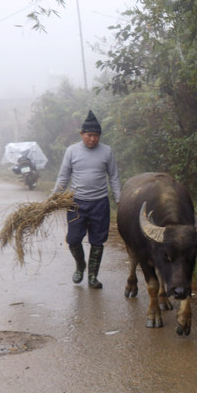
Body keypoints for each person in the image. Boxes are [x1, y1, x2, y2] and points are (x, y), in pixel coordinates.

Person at [52, 110, 122, 289]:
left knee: (97, 241)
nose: (93, 139)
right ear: (82, 134)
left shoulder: (107, 151)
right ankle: (80, 265)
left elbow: (113, 177)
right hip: (76, 203)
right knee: (73, 239)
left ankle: (92, 276)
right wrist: (54, 197)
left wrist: (119, 199)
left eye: (96, 136)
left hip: (100, 203)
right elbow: (63, 177)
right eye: (89, 135)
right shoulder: (72, 151)